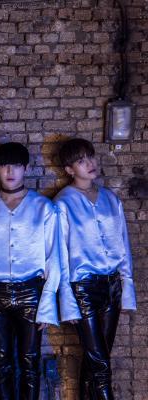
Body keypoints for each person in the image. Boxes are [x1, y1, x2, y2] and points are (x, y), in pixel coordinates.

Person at [0, 142, 59, 400]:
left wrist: (47, 303)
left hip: (31, 292)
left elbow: (53, 257)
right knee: (1, 361)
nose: (10, 171)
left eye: (16, 165)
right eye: (4, 166)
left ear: (26, 168)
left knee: (30, 360)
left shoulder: (43, 207)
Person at [55, 138, 136, 400]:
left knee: (97, 359)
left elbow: (123, 244)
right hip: (83, 289)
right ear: (69, 169)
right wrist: (67, 301)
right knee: (100, 363)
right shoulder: (63, 203)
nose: (90, 163)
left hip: (112, 285)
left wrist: (126, 288)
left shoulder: (111, 199)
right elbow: (60, 255)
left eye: (90, 157)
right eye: (81, 161)